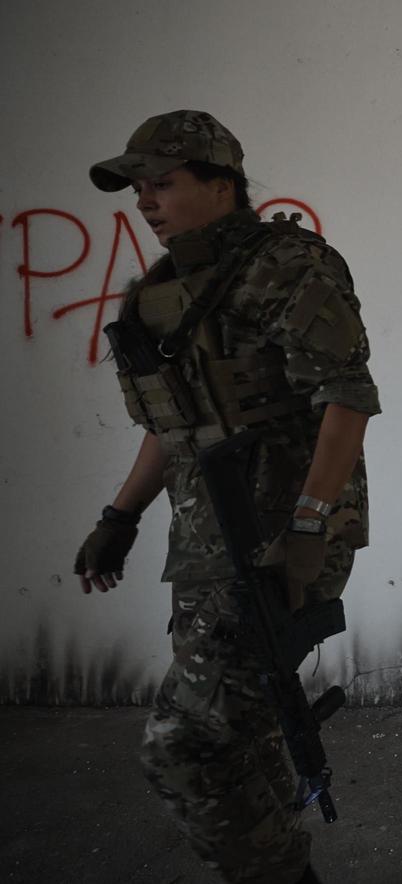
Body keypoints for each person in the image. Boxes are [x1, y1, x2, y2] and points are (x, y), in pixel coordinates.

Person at [73, 110, 380, 884]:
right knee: (239, 732)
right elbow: (175, 424)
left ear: (221, 184)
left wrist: (309, 526)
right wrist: (121, 515)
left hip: (284, 529)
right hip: (204, 539)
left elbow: (346, 401)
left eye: (164, 183)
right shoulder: (161, 290)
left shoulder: (289, 264)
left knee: (186, 745)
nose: (146, 201)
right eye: (137, 188)